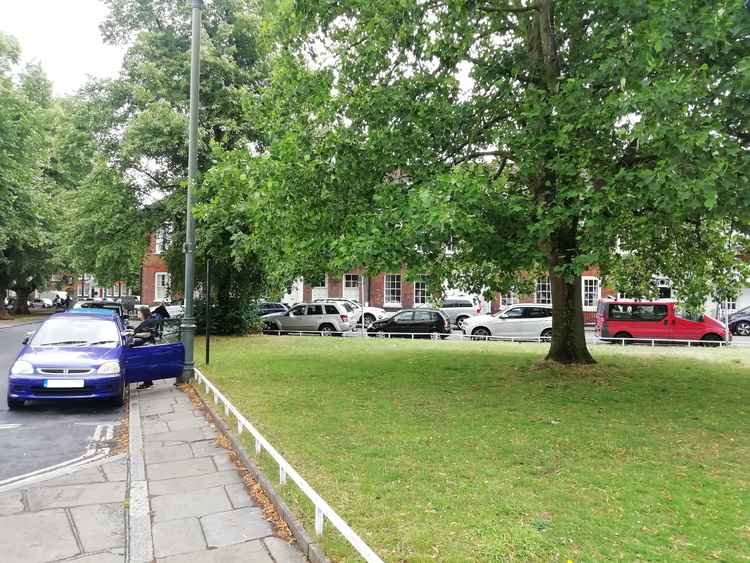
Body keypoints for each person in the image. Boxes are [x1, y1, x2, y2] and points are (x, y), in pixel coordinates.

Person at [132, 306, 158, 389]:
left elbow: (148, 334)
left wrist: (133, 334)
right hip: (146, 346)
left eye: (139, 313)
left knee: (145, 365)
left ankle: (147, 383)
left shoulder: (147, 322)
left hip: (146, 346)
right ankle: (147, 382)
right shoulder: (146, 321)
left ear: (144, 313)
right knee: (145, 364)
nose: (138, 314)